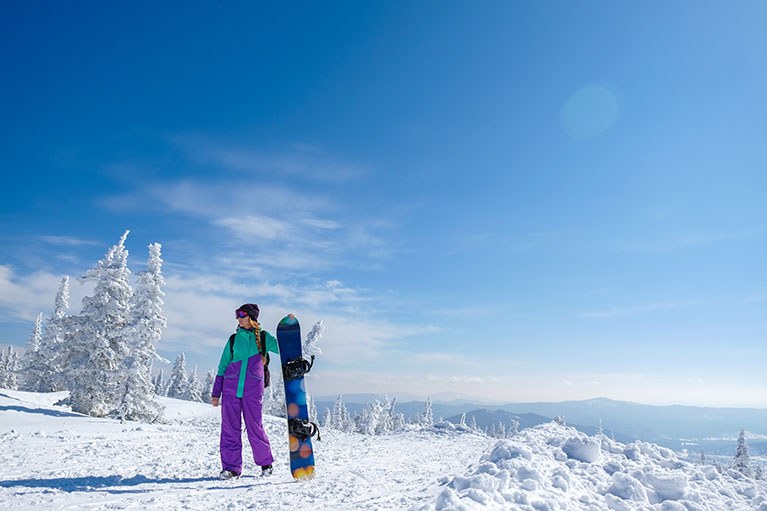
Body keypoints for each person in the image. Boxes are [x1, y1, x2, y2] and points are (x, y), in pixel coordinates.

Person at [211, 303, 280, 479]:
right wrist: (216, 392)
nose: (239, 318)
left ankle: (266, 464)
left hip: (253, 391)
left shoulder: (264, 338)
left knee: (255, 427)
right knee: (229, 429)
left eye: (242, 315)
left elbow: (283, 348)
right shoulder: (234, 339)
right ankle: (231, 469)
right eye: (237, 316)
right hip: (230, 390)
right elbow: (222, 366)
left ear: (251, 317)